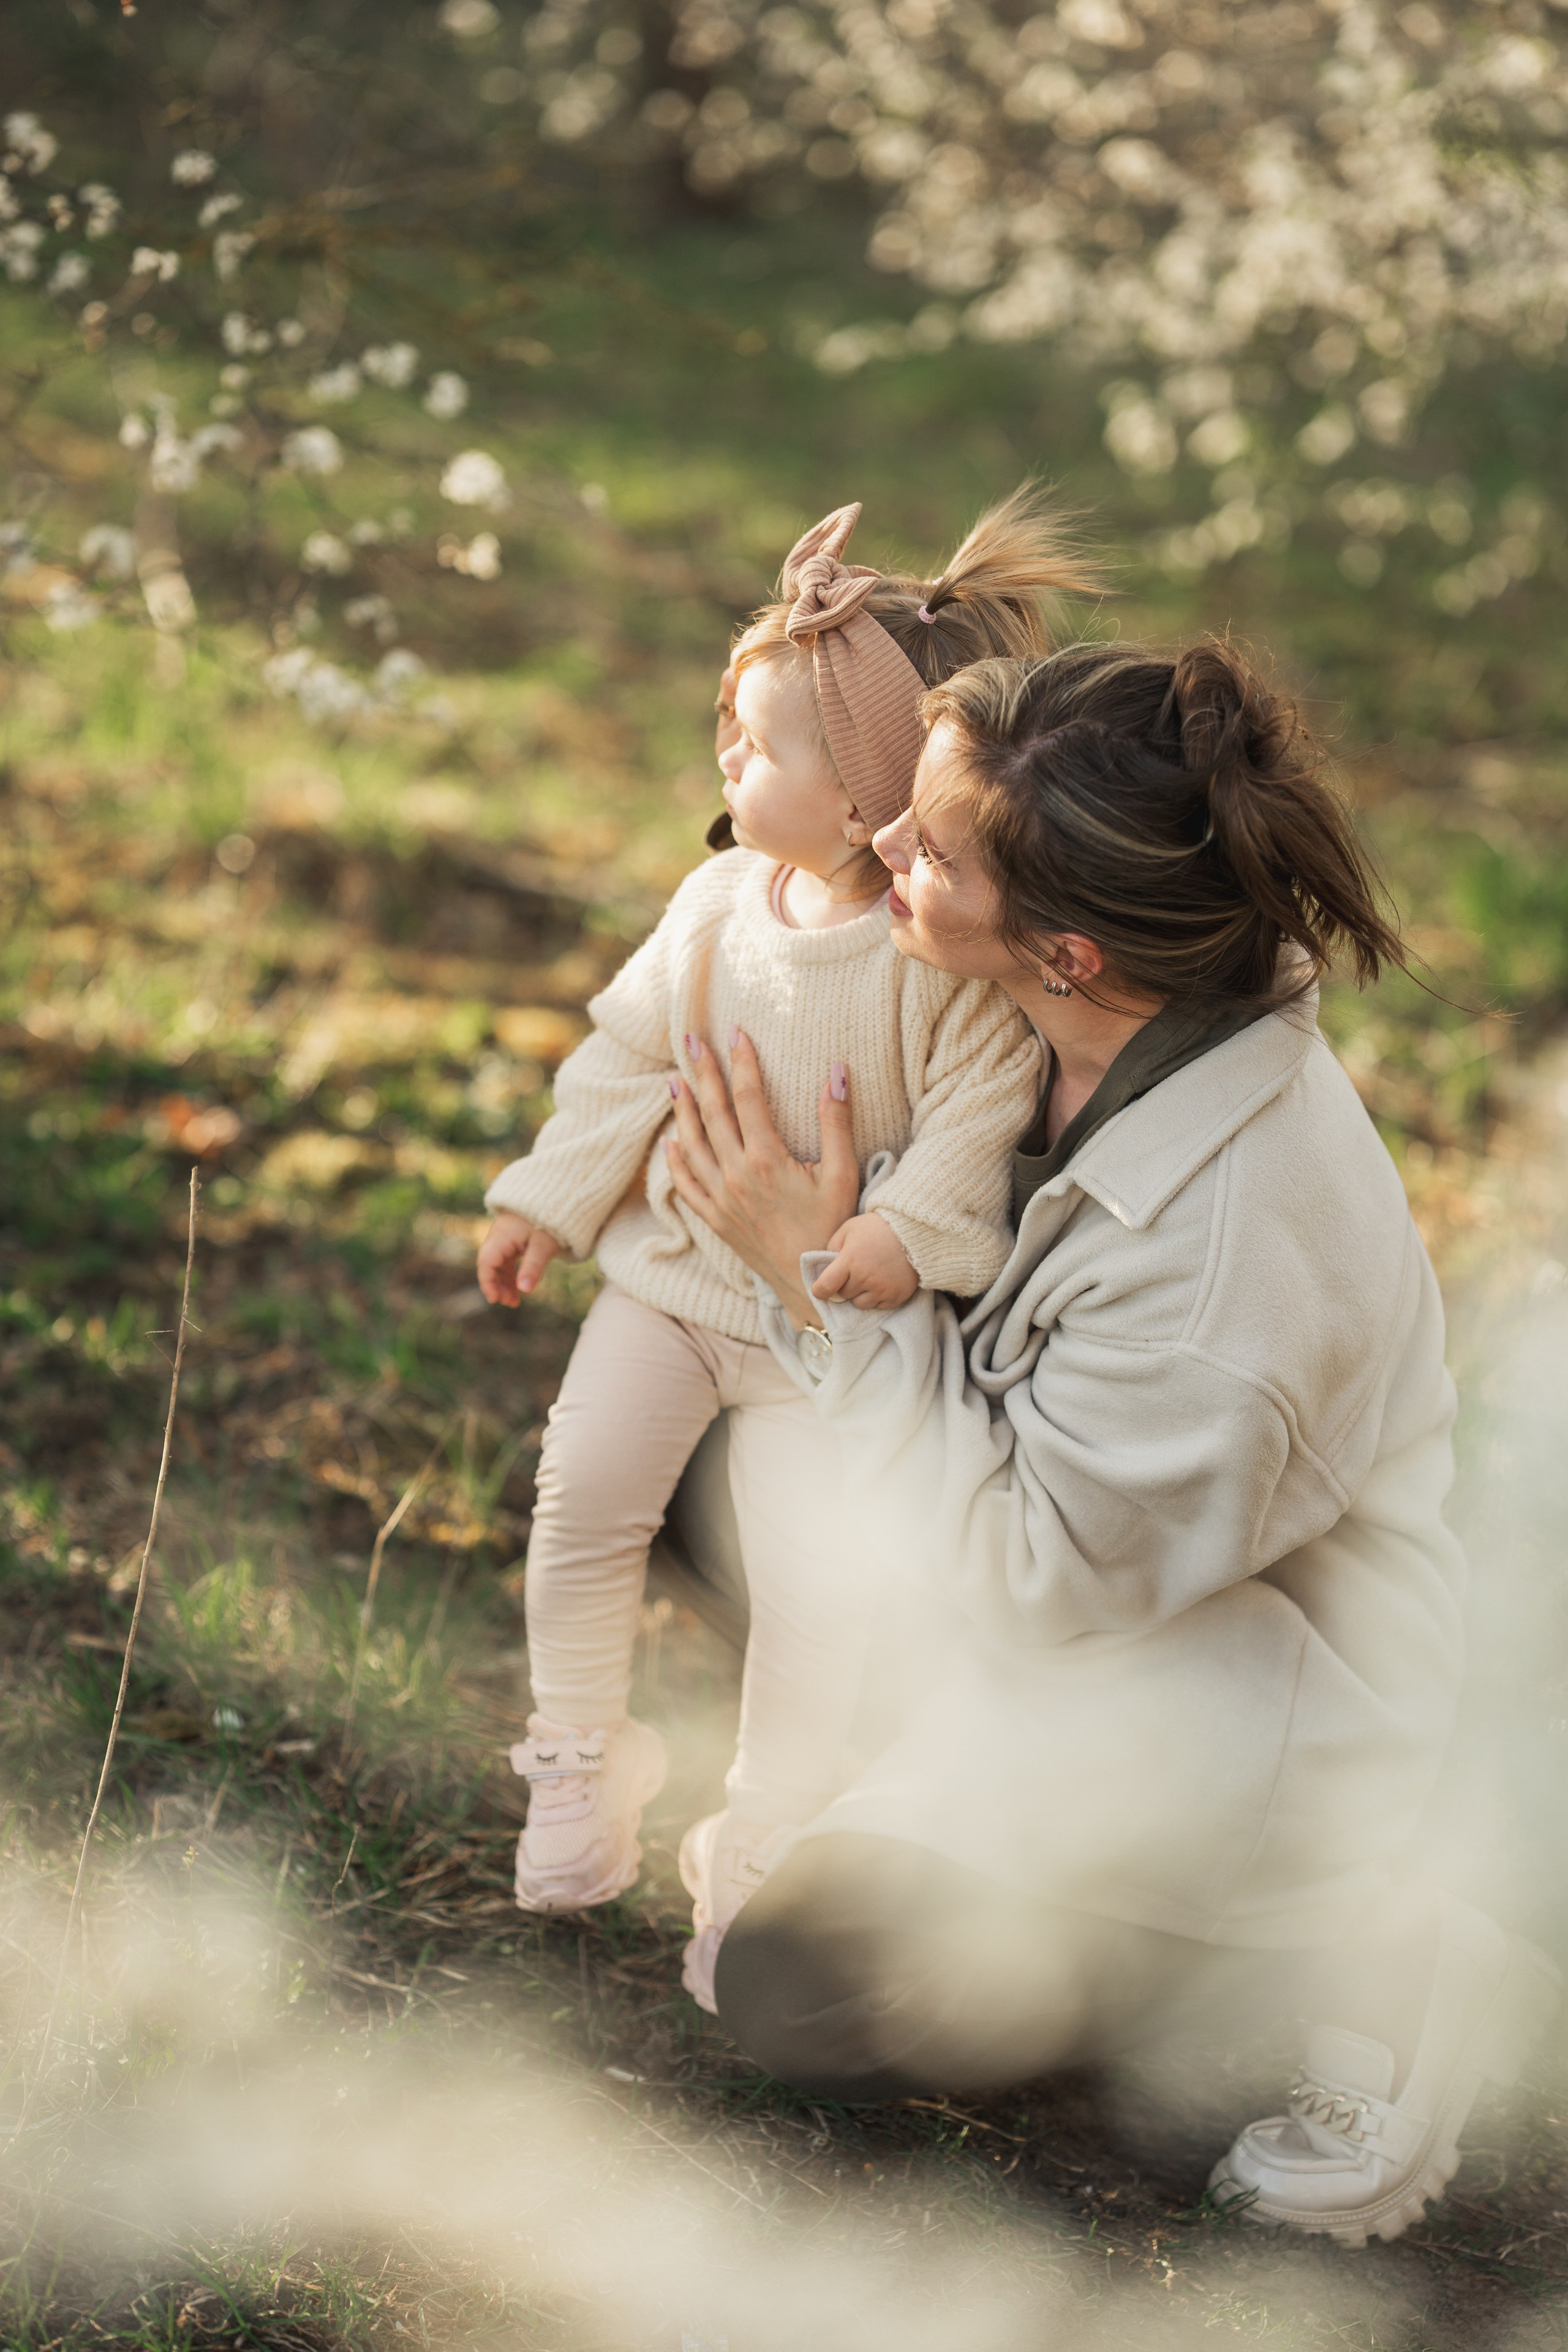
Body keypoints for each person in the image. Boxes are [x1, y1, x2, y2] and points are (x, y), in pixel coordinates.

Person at [661, 637, 1560, 2245]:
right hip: (1094, 1579)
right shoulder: (1088, 1007)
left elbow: (1024, 1580)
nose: (886, 852)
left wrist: (823, 1289)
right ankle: (954, 1816)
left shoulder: (1226, 1269)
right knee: (708, 1472)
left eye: (931, 851)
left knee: (804, 2000)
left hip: (1235, 1709)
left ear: (1066, 951)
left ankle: (1376, 1951)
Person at [475, 492, 1093, 2007]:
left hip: (821, 1335)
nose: (726, 761)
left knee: (814, 1592)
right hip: (672, 1286)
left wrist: (897, 1234)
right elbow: (627, 1055)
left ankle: (758, 1835)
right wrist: (547, 1198)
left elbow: (977, 1111)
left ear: (869, 793)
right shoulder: (709, 909)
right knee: (583, 1492)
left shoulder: (931, 965)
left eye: (762, 747)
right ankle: (580, 1748)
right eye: (727, 732)